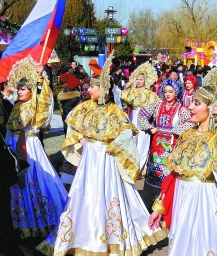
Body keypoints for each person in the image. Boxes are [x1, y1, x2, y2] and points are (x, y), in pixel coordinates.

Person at [37, 51, 166, 255]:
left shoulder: (114, 111)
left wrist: (113, 145)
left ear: (104, 89)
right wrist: (79, 139)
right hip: (89, 158)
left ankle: (111, 238)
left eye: (95, 86)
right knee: (84, 193)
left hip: (106, 160)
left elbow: (126, 132)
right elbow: (72, 124)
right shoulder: (84, 107)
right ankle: (80, 235)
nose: (90, 89)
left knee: (107, 193)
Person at [148, 85, 217, 255]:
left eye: (196, 103)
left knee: (204, 245)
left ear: (211, 108)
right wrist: (159, 207)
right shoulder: (187, 134)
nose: (190, 107)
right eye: (192, 102)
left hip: (206, 201)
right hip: (182, 199)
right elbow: (173, 175)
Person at [6, 56, 67, 239]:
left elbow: (44, 98)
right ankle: (21, 223)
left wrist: (40, 79)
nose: (19, 91)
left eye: (23, 88)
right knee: (15, 182)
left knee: (34, 180)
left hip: (30, 146)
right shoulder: (16, 105)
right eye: (18, 88)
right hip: (14, 144)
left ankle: (41, 222)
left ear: (31, 90)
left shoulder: (35, 104)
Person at [138, 79, 194, 188]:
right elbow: (141, 114)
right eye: (166, 91)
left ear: (176, 93)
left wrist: (176, 131)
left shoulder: (180, 109)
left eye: (170, 92)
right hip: (156, 145)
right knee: (154, 173)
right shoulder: (157, 105)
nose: (167, 94)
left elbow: (191, 122)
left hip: (171, 146)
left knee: (168, 177)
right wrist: (150, 128)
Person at [121, 62, 161, 176]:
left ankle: (140, 168)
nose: (138, 81)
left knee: (143, 142)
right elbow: (120, 95)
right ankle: (131, 166)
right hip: (133, 118)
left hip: (144, 119)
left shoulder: (150, 94)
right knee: (132, 141)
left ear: (146, 81)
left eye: (140, 79)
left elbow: (158, 106)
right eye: (137, 79)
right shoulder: (131, 92)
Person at [58, 79, 91, 188]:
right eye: (83, 89)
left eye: (87, 89)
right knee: (74, 162)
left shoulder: (96, 104)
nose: (85, 91)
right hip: (77, 138)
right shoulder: (77, 102)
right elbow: (68, 117)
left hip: (89, 139)